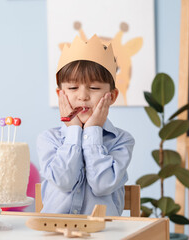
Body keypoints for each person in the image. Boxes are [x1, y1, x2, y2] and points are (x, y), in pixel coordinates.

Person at [37, 34, 135, 216]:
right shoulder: (49, 139)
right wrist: (74, 130)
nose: (82, 96)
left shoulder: (121, 140)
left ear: (112, 96)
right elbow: (64, 182)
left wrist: (92, 131)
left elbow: (102, 185)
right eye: (73, 88)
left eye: (95, 88)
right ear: (60, 95)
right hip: (54, 232)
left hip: (104, 233)